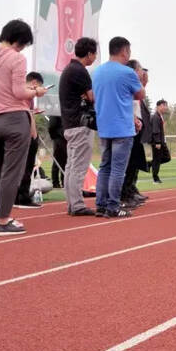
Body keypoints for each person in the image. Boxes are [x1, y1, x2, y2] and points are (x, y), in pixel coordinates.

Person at [0, 20, 46, 235]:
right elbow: (18, 93)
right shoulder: (16, 58)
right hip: (15, 120)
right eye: (23, 44)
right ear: (19, 41)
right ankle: (3, 220)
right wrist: (36, 91)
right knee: (11, 172)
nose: (23, 48)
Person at [91, 37, 144, 218]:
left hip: (104, 125)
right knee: (118, 169)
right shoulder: (127, 72)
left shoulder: (97, 72)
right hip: (122, 126)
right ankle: (113, 206)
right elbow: (140, 94)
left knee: (104, 166)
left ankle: (101, 204)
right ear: (124, 51)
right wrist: (138, 78)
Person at [59, 36, 97, 217]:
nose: (95, 57)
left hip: (69, 124)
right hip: (80, 124)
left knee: (71, 165)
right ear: (89, 53)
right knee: (78, 167)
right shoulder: (80, 71)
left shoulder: (69, 69)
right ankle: (77, 205)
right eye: (94, 53)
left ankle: (71, 203)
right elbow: (92, 98)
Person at [12, 71, 45, 209]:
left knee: (19, 166)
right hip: (26, 133)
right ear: (35, 83)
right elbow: (28, 114)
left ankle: (17, 196)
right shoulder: (27, 94)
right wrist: (34, 135)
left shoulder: (19, 92)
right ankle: (22, 196)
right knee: (26, 166)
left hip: (17, 132)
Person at [121, 61, 150, 208]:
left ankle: (130, 190)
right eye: (140, 71)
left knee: (135, 163)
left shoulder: (137, 90)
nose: (143, 76)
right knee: (128, 163)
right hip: (128, 127)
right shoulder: (128, 85)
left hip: (136, 128)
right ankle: (125, 194)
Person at [150, 99, 168, 184]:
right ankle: (155, 179)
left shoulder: (160, 116)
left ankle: (149, 164)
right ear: (158, 106)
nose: (165, 107)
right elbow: (155, 130)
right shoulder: (156, 117)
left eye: (166, 105)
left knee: (167, 157)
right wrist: (157, 142)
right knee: (157, 160)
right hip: (157, 143)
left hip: (161, 142)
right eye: (164, 105)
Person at [48, 116, 66, 189]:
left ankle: (63, 182)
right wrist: (53, 136)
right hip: (59, 138)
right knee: (58, 161)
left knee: (64, 161)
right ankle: (56, 183)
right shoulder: (55, 112)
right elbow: (51, 126)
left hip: (64, 138)